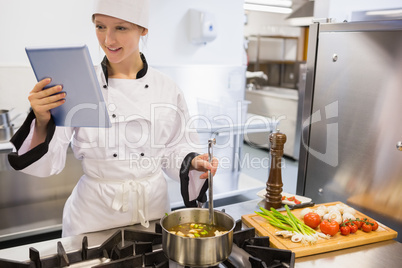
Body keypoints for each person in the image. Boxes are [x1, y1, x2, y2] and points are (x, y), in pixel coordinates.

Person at [8, 0, 218, 237]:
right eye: (100, 27)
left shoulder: (167, 89)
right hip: (93, 216)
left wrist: (191, 161)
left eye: (120, 28)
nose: (108, 40)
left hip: (152, 213)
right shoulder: (78, 83)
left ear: (143, 29)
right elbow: (50, 161)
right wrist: (42, 119)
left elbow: (173, 150)